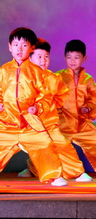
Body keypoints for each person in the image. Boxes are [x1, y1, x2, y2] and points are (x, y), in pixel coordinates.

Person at [0, 28, 65, 186]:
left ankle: (54, 176)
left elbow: (44, 96)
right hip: (7, 123)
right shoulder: (3, 71)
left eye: (24, 45)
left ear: (31, 48)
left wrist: (38, 107)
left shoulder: (37, 72)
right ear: (9, 46)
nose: (19, 49)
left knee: (45, 144)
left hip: (30, 124)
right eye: (16, 45)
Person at [20, 39, 92, 182]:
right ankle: (35, 169)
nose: (43, 61)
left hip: (48, 122)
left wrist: (45, 107)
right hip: (25, 123)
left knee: (63, 145)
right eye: (39, 57)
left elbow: (60, 98)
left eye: (46, 57)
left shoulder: (54, 78)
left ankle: (78, 173)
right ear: (30, 58)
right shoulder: (21, 77)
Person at [55, 40, 96, 179]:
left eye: (76, 57)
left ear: (84, 58)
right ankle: (34, 168)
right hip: (62, 123)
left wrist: (88, 108)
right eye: (69, 57)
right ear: (65, 57)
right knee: (54, 146)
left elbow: (94, 99)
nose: (72, 61)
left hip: (81, 123)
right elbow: (51, 96)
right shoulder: (58, 77)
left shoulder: (88, 80)